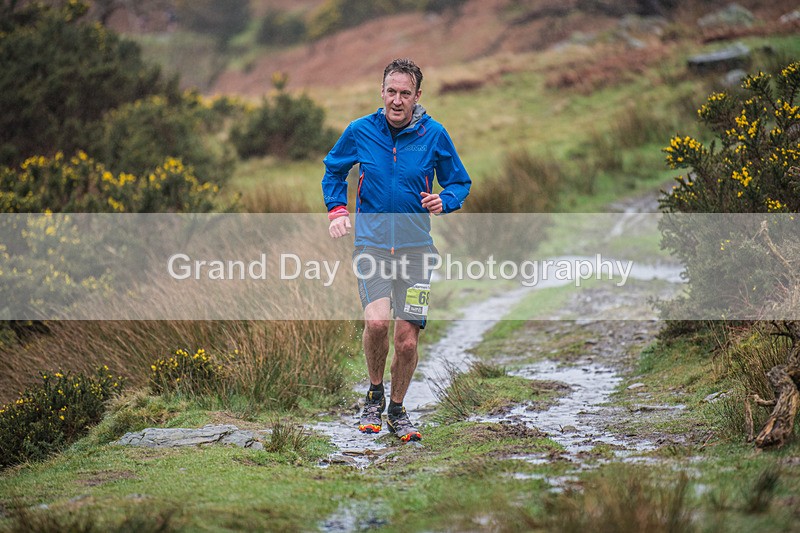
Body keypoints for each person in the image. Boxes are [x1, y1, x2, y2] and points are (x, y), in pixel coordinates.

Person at [322, 58, 471, 442]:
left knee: (406, 340)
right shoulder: (360, 131)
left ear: (417, 96)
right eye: (391, 91)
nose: (397, 100)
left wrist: (445, 200)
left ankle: (398, 410)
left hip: (417, 251)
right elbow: (333, 169)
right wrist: (337, 209)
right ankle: (374, 394)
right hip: (371, 247)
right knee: (376, 323)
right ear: (382, 92)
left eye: (405, 93)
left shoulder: (434, 134)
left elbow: (459, 182)